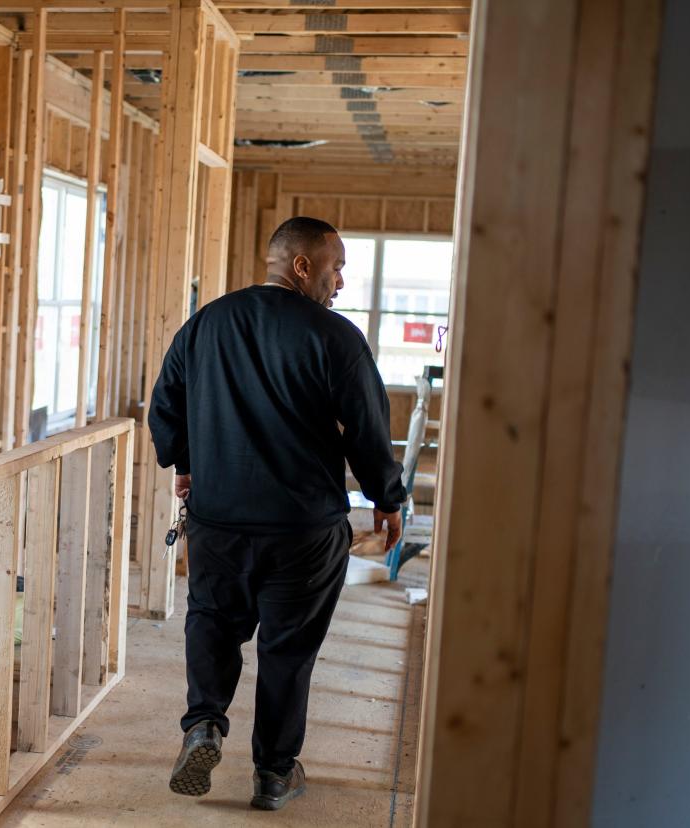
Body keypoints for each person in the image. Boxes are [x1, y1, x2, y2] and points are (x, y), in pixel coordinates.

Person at [148, 216, 407, 811]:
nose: (340, 283)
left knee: (212, 620)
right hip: (303, 529)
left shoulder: (205, 324)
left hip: (218, 520)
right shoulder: (335, 337)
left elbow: (166, 403)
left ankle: (204, 725)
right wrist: (387, 497)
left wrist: (185, 462)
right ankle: (273, 773)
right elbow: (368, 429)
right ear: (301, 266)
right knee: (288, 649)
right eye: (336, 267)